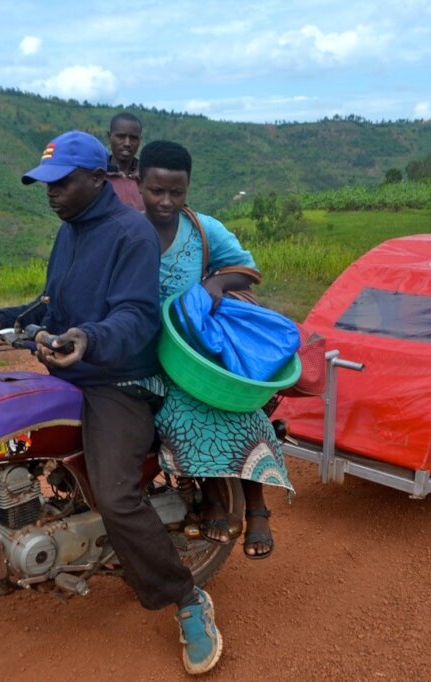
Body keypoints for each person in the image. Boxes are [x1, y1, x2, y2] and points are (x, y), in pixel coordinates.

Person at [0, 130, 222, 675]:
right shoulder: (70, 230)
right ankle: (5, 546)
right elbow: (52, 303)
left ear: (96, 178)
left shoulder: (131, 234)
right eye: (46, 183)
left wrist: (89, 338)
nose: (51, 192)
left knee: (115, 496)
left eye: (61, 182)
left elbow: (136, 315)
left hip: (119, 382)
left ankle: (187, 597)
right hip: (71, 373)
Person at [137, 139, 294, 560]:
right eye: (156, 191)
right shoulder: (128, 231)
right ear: (138, 183)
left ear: (188, 188)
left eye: (177, 192)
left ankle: (257, 507)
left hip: (197, 351)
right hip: (150, 352)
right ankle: (209, 498)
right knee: (175, 416)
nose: (166, 201)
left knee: (239, 412)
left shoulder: (203, 229)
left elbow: (248, 270)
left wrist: (216, 283)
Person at [105, 112, 145, 211]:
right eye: (121, 137)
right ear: (109, 137)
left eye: (134, 138)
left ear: (140, 140)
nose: (127, 143)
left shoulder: (147, 177)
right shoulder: (97, 175)